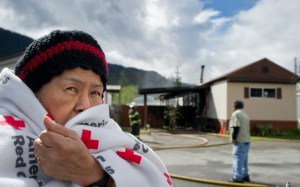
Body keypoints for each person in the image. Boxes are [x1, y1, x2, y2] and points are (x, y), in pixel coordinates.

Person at [0, 30, 172, 187]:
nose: (86, 106)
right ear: (32, 92)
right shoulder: (6, 138)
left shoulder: (112, 136)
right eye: (71, 89)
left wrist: (95, 175)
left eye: (95, 92)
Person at [229, 100, 251, 183]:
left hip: (240, 140)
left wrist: (234, 138)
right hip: (247, 140)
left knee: (237, 158)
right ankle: (245, 175)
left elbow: (236, 127)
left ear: (235, 106)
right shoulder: (245, 114)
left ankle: (237, 177)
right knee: (244, 159)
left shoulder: (235, 114)